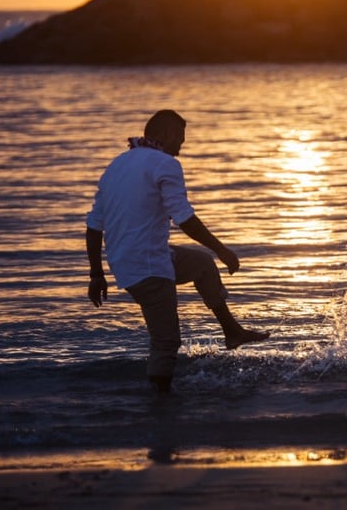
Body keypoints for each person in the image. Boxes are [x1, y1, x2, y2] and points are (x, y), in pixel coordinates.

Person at [85, 109, 268, 393]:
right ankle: (160, 408)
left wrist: (97, 274)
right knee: (166, 342)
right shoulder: (165, 164)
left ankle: (232, 332)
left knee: (201, 264)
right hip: (147, 267)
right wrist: (222, 249)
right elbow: (183, 217)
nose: (182, 145)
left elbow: (94, 225)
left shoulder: (117, 164)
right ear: (168, 134)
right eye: (181, 138)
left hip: (128, 259)